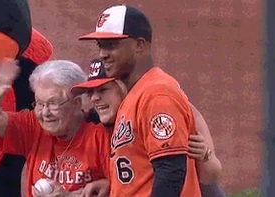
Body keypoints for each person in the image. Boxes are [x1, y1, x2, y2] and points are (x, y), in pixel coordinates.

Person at [78, 4, 202, 197]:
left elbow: (170, 172)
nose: (102, 54)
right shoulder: (134, 95)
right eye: (100, 45)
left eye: (111, 45)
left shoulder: (157, 93)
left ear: (139, 45)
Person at [72, 59, 226, 197]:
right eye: (90, 92)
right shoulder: (102, 121)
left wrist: (205, 155)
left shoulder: (160, 108)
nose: (94, 98)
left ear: (122, 87)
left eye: (103, 90)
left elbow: (209, 180)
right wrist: (108, 183)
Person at [0, 59, 110, 197]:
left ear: (76, 104)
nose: (45, 113)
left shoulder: (100, 136)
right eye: (39, 103)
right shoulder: (33, 126)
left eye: (53, 103)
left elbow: (122, 189)